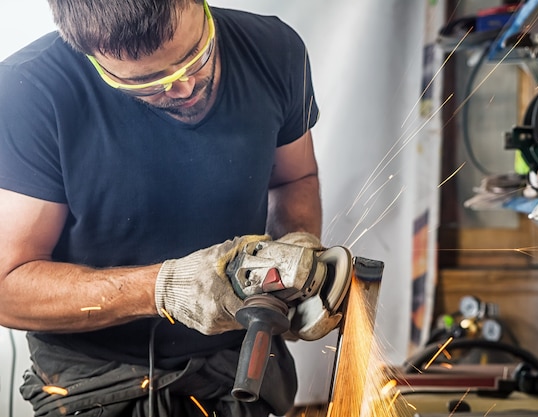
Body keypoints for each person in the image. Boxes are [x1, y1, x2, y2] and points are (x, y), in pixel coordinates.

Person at [0, 0, 322, 416]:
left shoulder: (275, 48)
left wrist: (297, 245)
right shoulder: (28, 92)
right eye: (150, 82)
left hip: (241, 361)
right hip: (99, 380)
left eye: (196, 56)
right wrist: (164, 288)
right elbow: (8, 287)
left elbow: (293, 178)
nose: (184, 87)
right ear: (91, 53)